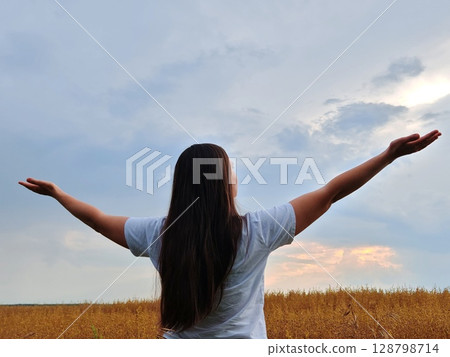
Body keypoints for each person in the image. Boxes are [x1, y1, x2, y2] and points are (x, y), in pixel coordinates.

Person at [19, 130, 441, 338]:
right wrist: (388, 156)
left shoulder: (159, 235)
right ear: (226, 186)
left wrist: (59, 194)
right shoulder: (257, 230)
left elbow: (97, 219)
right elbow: (331, 192)